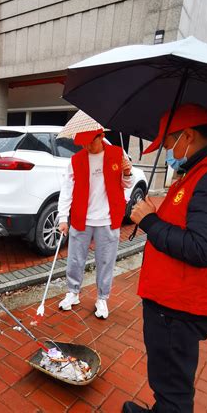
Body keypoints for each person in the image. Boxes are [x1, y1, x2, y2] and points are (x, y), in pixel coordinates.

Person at [124, 104, 207, 412]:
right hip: (171, 297)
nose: (169, 152)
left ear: (188, 136)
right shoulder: (203, 170)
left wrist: (151, 222)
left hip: (179, 304)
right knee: (166, 375)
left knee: (173, 389)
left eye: (168, 144)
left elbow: (200, 248)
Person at [57, 128, 134, 318]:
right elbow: (67, 189)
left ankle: (102, 298)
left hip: (108, 218)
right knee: (75, 258)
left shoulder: (117, 154)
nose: (86, 146)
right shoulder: (76, 160)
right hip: (82, 217)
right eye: (82, 143)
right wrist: (63, 217)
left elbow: (127, 184)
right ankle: (73, 293)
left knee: (106, 260)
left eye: (90, 141)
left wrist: (127, 171)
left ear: (101, 137)